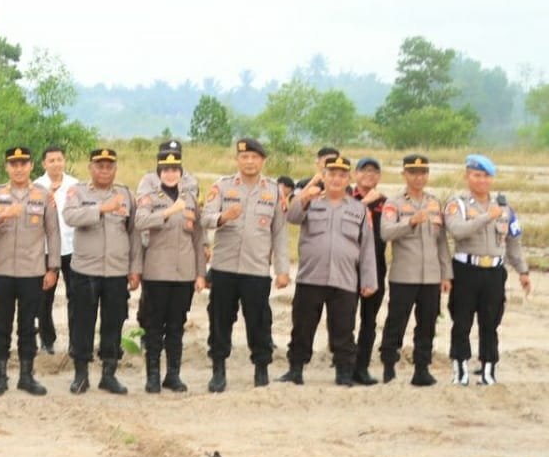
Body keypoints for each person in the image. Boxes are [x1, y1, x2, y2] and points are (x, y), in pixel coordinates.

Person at [199, 138, 291, 392]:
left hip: (256, 269)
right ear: (237, 160)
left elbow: (280, 234)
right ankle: (218, 370)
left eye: (254, 157)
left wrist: (282, 270)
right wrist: (222, 217)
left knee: (259, 322)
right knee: (220, 320)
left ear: (263, 161)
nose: (249, 162)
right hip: (224, 268)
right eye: (244, 157)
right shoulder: (222, 186)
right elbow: (204, 219)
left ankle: (261, 369)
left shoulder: (274, 191)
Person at [279, 154, 377, 387]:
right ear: (323, 176)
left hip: (344, 278)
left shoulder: (359, 209)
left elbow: (366, 247)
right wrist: (303, 198)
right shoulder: (311, 202)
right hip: (311, 277)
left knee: (343, 328)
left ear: (348, 179)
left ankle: (344, 372)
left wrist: (369, 280)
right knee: (302, 327)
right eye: (331, 174)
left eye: (342, 175)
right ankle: (295, 369)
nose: (336, 179)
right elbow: (292, 217)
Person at [444, 154, 532, 385]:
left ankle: (488, 370)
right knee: (461, 321)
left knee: (490, 323)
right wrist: (486, 217)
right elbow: (457, 231)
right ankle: (460, 370)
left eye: (486, 176)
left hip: (494, 272)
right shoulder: (458, 204)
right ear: (467, 176)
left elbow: (513, 242)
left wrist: (523, 271)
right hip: (466, 269)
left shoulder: (504, 207)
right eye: (477, 175)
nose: (482, 180)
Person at [0, 147, 60, 396]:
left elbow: (53, 233)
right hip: (2, 271)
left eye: (23, 163)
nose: (19, 168)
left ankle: (27, 376)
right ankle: (0, 377)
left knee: (28, 326)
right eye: (13, 164)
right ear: (7, 167)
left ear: (31, 166)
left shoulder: (43, 195)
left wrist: (53, 268)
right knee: (1, 326)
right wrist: (1, 216)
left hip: (32, 272)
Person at [62, 148, 139, 395]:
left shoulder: (126, 194)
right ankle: (81, 374)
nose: (104, 170)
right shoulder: (78, 192)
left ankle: (109, 374)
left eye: (109, 166)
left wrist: (134, 268)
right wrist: (101, 209)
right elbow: (70, 217)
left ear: (115, 169)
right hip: (85, 270)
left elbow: (134, 233)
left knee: (113, 323)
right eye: (99, 166)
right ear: (90, 168)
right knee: (82, 323)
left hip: (116, 271)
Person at [132, 143, 205, 393]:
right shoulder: (150, 197)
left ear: (181, 172)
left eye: (175, 169)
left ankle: (173, 375)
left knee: (176, 326)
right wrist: (167, 212)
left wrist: (200, 273)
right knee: (154, 326)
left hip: (184, 272)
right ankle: (152, 376)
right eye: (165, 169)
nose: (170, 174)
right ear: (159, 172)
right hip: (157, 271)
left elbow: (198, 238)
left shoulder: (190, 199)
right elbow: (140, 221)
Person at [377, 154, 452, 386]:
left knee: (428, 323)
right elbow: (386, 233)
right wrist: (410, 222)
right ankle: (389, 366)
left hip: (430, 276)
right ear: (404, 174)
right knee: (396, 322)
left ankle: (422, 368)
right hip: (404, 275)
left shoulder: (434, 203)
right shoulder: (394, 203)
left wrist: (446, 274)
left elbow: (441, 242)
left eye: (423, 173)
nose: (418, 177)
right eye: (413, 173)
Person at [35, 145, 80, 356]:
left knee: (76, 297)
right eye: (51, 160)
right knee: (44, 299)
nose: (55, 164)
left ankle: (75, 342)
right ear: (43, 164)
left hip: (72, 248)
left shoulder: (75, 185)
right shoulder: (37, 186)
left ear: (64, 161)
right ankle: (47, 340)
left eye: (59, 159)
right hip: (45, 249)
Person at [349, 157, 389, 385]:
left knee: (369, 320)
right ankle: (344, 365)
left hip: (375, 266)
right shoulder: (346, 197)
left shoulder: (386, 203)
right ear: (356, 174)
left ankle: (361, 367)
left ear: (379, 177)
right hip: (349, 265)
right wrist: (364, 203)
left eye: (374, 171)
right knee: (345, 318)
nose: (369, 175)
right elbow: (343, 219)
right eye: (364, 171)